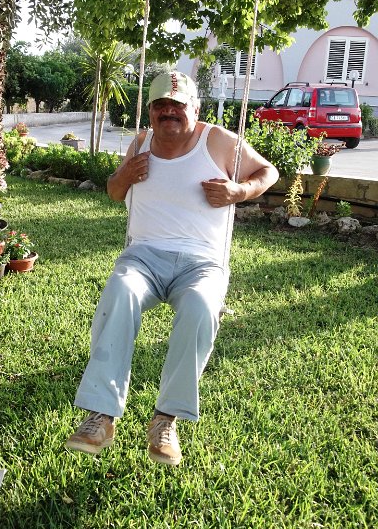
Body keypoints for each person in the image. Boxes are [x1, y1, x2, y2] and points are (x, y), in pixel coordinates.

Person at [66, 71, 279, 465]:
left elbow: (268, 171)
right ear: (150, 110)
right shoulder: (140, 143)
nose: (169, 112)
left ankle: (166, 419)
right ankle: (101, 415)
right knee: (119, 292)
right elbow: (114, 192)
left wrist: (239, 191)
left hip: (202, 262)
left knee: (201, 306)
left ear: (194, 108)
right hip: (143, 257)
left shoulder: (218, 141)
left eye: (177, 105)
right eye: (161, 104)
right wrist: (124, 175)